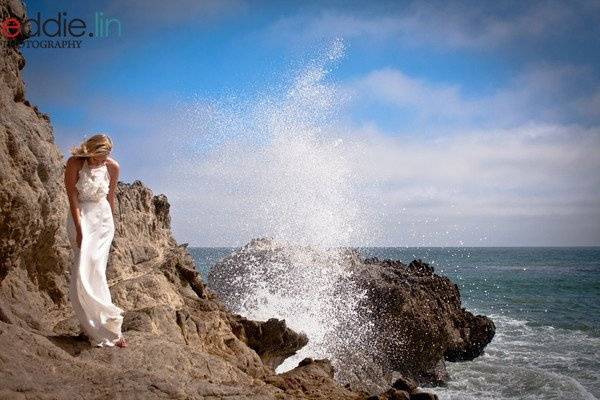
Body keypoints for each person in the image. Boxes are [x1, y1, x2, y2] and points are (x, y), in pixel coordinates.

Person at [64, 133, 127, 348]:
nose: (102, 161)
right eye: (99, 156)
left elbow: (110, 198)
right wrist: (79, 228)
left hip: (102, 221)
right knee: (82, 271)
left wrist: (113, 224)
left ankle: (109, 329)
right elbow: (71, 195)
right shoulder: (74, 163)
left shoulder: (113, 167)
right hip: (81, 218)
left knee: (98, 271)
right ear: (90, 151)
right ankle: (91, 327)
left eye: (106, 156)